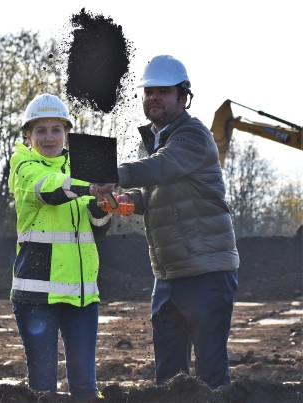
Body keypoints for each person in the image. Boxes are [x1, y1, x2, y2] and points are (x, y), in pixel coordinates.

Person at [91, 55, 240, 389]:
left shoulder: (193, 137)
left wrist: (112, 175)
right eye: (148, 92)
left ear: (184, 97)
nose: (153, 97)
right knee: (169, 380)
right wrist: (128, 202)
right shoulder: (158, 141)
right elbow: (158, 192)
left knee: (211, 375)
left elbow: (161, 167)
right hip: (169, 276)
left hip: (206, 273)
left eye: (163, 91)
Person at [8, 93, 112, 400]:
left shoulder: (85, 164)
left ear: (66, 133)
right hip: (37, 294)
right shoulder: (23, 164)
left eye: (56, 129)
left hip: (82, 295)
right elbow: (48, 189)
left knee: (85, 387)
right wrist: (88, 186)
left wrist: (101, 208)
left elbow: (98, 231)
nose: (49, 137)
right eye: (41, 130)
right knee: (43, 387)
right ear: (28, 135)